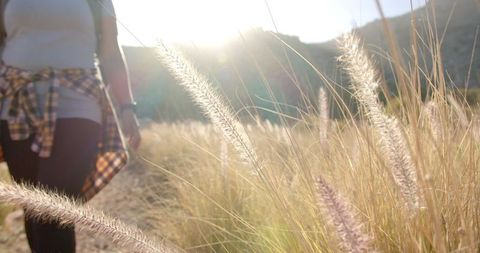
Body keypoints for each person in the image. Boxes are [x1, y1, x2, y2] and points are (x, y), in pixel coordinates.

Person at [0, 0, 141, 252]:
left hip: (79, 102)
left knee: (53, 207)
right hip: (16, 102)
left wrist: (127, 107)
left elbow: (110, 52)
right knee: (33, 206)